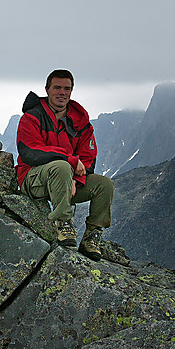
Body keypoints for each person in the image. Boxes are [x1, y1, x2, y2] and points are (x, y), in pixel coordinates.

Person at [15, 69, 114, 261]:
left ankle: (92, 237)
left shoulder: (80, 122)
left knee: (105, 185)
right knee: (61, 166)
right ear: (47, 89)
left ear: (71, 91)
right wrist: (69, 160)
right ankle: (63, 223)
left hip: (67, 181)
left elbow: (88, 157)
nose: (62, 92)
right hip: (34, 180)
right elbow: (30, 152)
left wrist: (76, 181)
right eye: (57, 87)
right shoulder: (31, 118)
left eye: (67, 88)